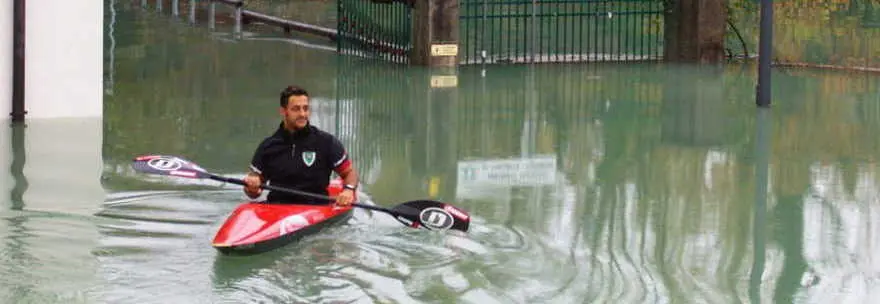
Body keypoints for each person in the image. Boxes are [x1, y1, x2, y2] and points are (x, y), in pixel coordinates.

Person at [243, 85, 358, 207]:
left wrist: (349, 190)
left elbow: (349, 173)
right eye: (296, 109)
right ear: (283, 111)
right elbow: (253, 193)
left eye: (306, 108)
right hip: (277, 209)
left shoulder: (326, 142)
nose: (303, 114)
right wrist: (251, 187)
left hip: (316, 210)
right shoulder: (268, 146)